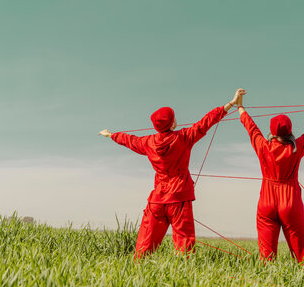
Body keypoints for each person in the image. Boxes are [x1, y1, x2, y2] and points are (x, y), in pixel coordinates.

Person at [98, 88, 246, 257]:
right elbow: (206, 122)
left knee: (145, 244)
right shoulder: (184, 137)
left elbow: (129, 140)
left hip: (158, 199)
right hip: (180, 198)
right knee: (184, 247)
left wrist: (111, 135)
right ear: (172, 123)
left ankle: (136, 273)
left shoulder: (148, 142)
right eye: (174, 118)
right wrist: (232, 103)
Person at [236, 86, 304, 263]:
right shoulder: (296, 148)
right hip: (290, 202)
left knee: (266, 260)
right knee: (301, 258)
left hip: (266, 202)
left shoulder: (263, 147)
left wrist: (240, 107)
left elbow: (251, 128)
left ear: (272, 132)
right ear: (290, 130)